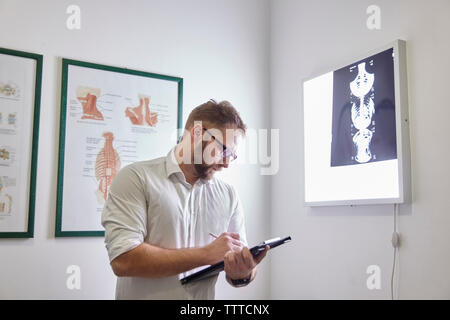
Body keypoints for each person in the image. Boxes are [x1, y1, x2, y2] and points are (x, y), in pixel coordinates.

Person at [101, 99, 268, 299]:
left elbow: (241, 264)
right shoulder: (136, 178)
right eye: (223, 149)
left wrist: (243, 273)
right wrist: (206, 254)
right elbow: (123, 260)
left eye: (231, 155)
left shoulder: (229, 195)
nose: (226, 164)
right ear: (197, 133)